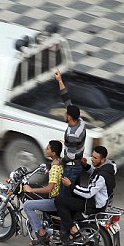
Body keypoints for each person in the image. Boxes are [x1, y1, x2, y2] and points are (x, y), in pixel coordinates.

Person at [55, 145, 117, 243]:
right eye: (92, 156)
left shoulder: (101, 177)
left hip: (92, 204)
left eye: (95, 158)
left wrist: (70, 185)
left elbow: (88, 193)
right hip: (100, 200)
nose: (92, 159)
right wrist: (86, 166)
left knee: (59, 200)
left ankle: (73, 230)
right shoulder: (109, 168)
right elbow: (95, 172)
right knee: (71, 197)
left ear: (103, 159)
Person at [21, 140, 63, 245]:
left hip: (54, 200)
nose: (45, 149)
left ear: (53, 153)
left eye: (48, 148)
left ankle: (41, 233)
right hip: (59, 195)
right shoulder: (59, 162)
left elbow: (49, 188)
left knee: (27, 206)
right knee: (36, 189)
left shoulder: (55, 168)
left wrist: (31, 190)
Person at [54, 68, 86, 197]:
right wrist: (60, 80)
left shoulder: (73, 135)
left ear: (70, 117)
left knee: (64, 196)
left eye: (66, 113)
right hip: (77, 165)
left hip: (72, 167)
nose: (64, 113)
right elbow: (67, 99)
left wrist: (59, 162)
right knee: (75, 194)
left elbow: (71, 156)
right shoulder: (80, 120)